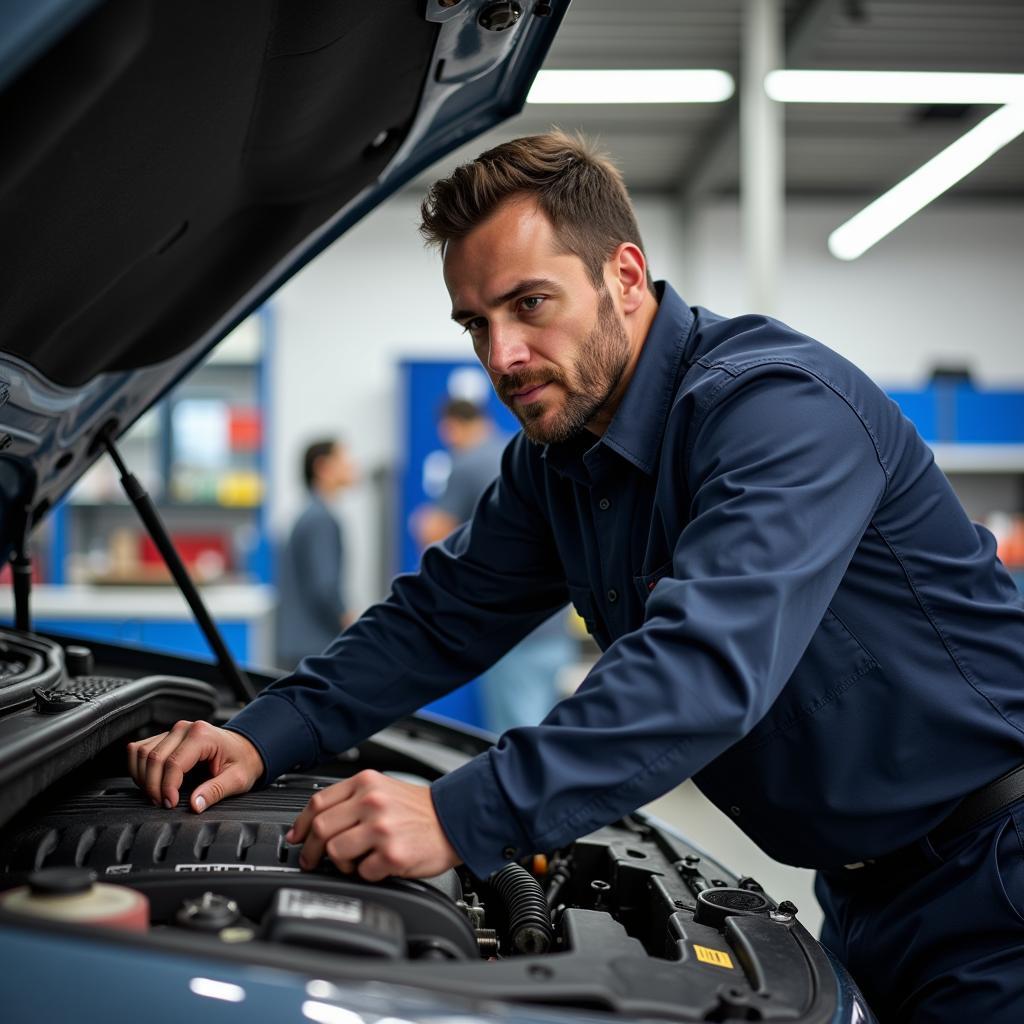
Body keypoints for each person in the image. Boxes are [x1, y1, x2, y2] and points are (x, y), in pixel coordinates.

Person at [129, 131, 1024, 1021]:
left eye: (529, 304)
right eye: (477, 323)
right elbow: (440, 615)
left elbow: (706, 662)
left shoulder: (776, 409)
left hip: (998, 877)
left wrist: (461, 814)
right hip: (866, 894)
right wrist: (261, 732)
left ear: (625, 277)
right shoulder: (560, 460)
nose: (501, 356)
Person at [411, 397, 570, 732]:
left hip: (511, 628)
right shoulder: (526, 451)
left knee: (514, 737)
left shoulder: (467, 464)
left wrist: (421, 523)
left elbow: (434, 532)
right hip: (556, 627)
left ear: (451, 426)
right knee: (547, 732)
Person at [275, 438, 358, 668]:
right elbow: (325, 587)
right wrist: (348, 621)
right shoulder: (321, 519)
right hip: (314, 647)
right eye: (343, 459)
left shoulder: (310, 514)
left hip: (299, 645)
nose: (352, 465)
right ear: (322, 467)